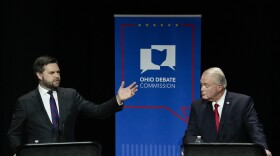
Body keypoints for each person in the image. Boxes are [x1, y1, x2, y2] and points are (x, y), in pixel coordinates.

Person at [7, 55, 138, 156]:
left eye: (58, 72)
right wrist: (18, 152)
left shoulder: (70, 95)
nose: (57, 76)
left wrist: (118, 99)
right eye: (52, 73)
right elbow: (14, 133)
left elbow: (98, 111)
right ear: (39, 75)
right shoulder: (25, 101)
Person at [182, 67, 272, 156]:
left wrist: (263, 149)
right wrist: (193, 150)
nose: (202, 89)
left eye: (206, 85)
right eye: (201, 85)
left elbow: (254, 128)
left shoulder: (242, 103)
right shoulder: (197, 106)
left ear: (219, 87)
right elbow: (190, 134)